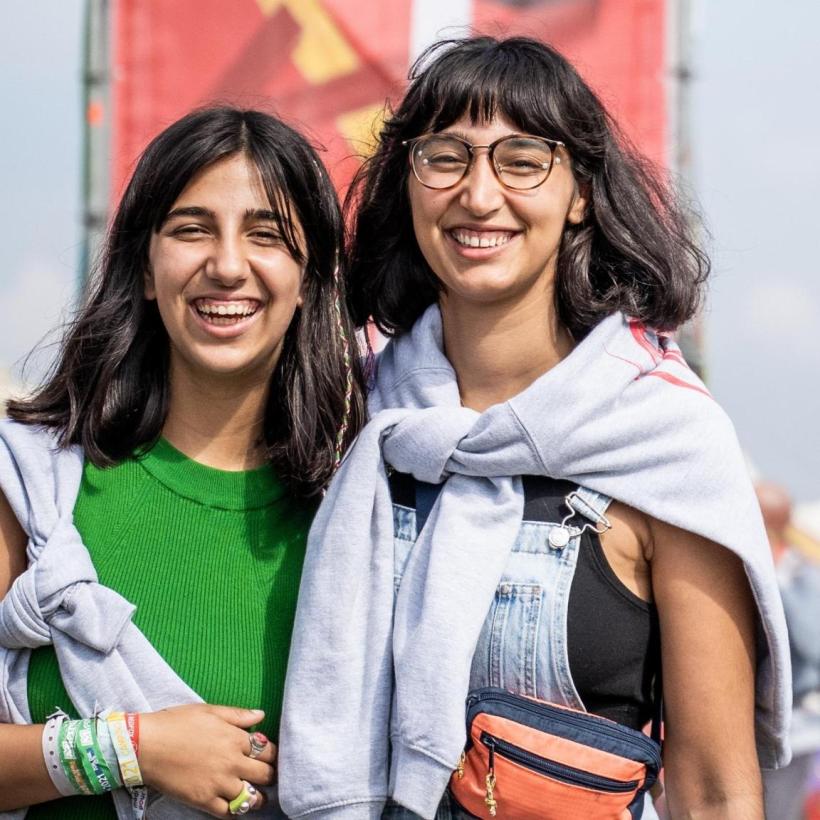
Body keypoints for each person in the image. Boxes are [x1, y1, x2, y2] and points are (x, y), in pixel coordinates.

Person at [277, 36, 791, 820]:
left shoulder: (668, 440)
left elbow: (715, 790)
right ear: (407, 183)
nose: (479, 195)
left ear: (580, 192)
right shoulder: (347, 414)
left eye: (522, 160)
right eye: (445, 157)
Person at [0, 107, 365, 819]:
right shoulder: (32, 488)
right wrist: (129, 748)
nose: (226, 266)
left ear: (309, 277)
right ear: (145, 267)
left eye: (266, 235)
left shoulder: (366, 509)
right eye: (192, 229)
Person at [757, 482, 820, 820]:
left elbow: (814, 646)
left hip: (794, 731)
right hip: (748, 725)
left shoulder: (803, 575)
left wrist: (777, 586)